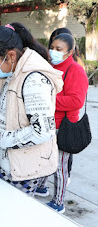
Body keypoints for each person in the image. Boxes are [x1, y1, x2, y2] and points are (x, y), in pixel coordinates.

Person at [0, 22, 63, 195]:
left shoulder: (33, 80)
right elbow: (6, 109)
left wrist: (0, 137)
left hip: (25, 168)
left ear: (10, 56)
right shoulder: (14, 72)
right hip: (12, 162)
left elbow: (43, 132)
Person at [35, 33, 88, 213]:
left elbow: (76, 101)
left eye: (59, 49)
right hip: (48, 123)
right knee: (45, 159)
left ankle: (59, 202)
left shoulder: (75, 70)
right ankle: (42, 187)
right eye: (52, 48)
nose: (53, 52)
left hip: (63, 127)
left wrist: (48, 99)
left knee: (60, 167)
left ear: (70, 52)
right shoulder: (51, 67)